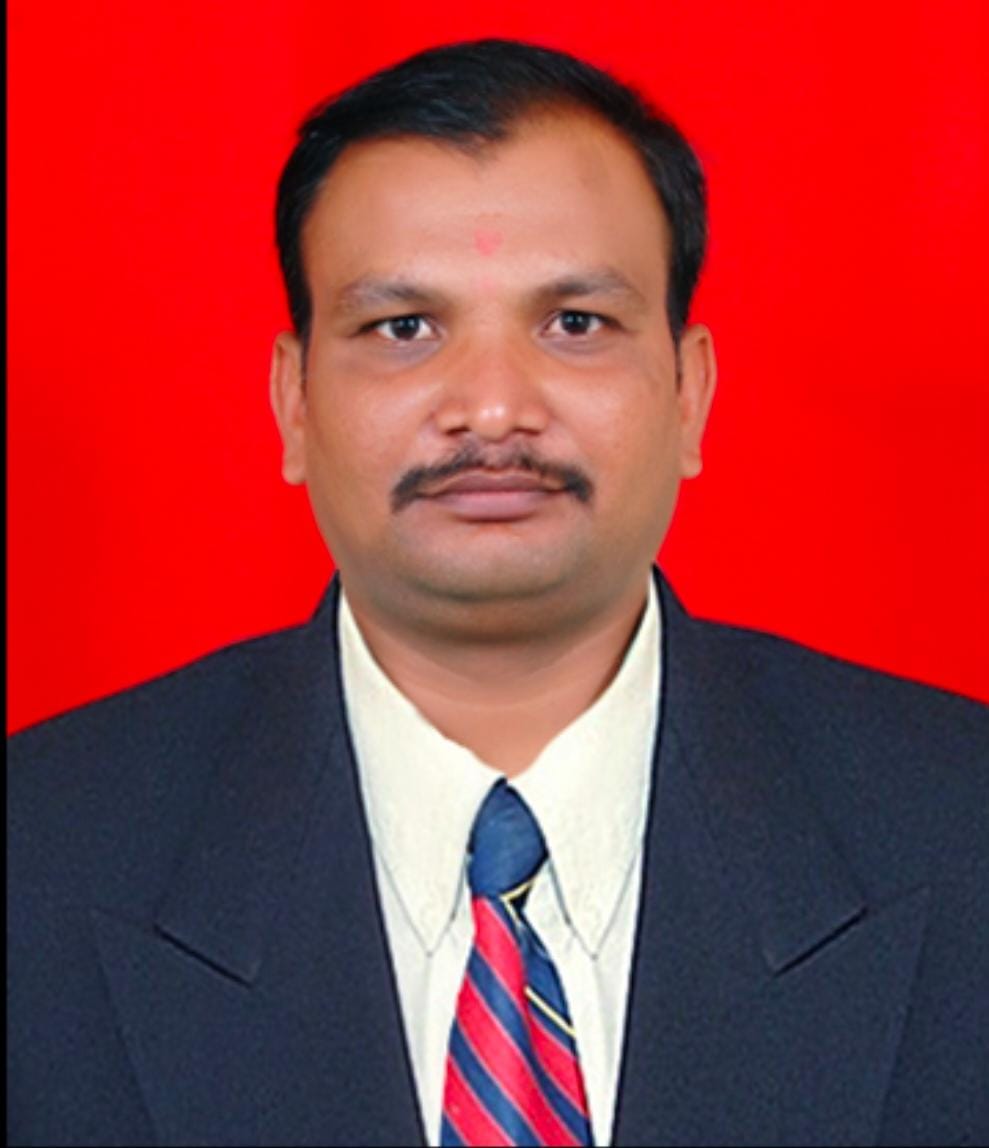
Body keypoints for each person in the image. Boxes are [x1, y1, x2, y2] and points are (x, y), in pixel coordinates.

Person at [7, 37, 987, 1148]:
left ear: (689, 393)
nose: (489, 408)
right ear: (293, 402)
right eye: (403, 329)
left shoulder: (958, 828)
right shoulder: (40, 856)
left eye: (574, 324)